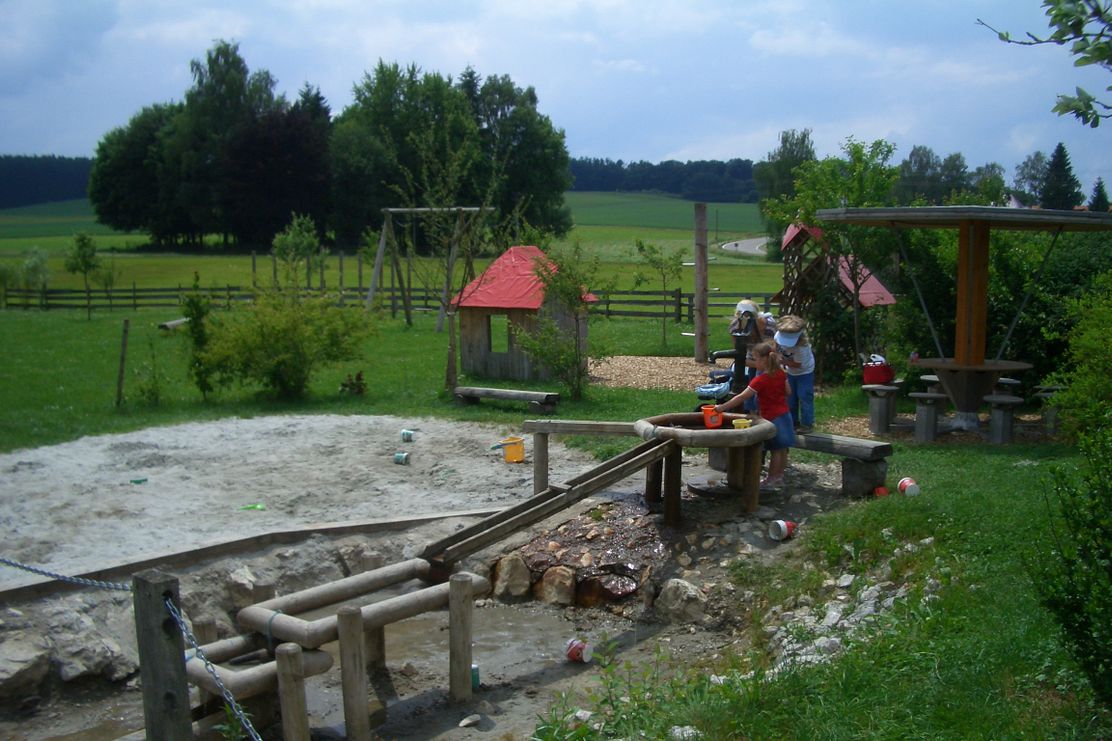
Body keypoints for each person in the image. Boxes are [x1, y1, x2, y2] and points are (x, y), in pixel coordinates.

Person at [714, 341, 794, 490]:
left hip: (771, 418)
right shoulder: (781, 373)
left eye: (755, 359)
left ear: (764, 360)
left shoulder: (760, 380)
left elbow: (741, 397)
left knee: (775, 450)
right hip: (785, 415)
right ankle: (779, 476)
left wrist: (721, 408)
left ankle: (771, 479)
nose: (754, 362)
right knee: (782, 450)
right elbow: (788, 392)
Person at [774, 314, 815, 433]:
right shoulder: (778, 336)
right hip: (791, 372)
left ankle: (807, 424)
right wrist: (775, 353)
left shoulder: (802, 347)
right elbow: (775, 345)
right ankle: (793, 422)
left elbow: (797, 364)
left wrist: (781, 361)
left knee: (805, 396)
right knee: (790, 397)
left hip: (804, 373)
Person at [728, 300, 767, 413]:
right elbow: (739, 354)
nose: (745, 320)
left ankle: (762, 413)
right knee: (752, 386)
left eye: (748, 317)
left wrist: (763, 365)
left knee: (763, 389)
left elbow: (773, 351)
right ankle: (750, 412)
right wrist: (755, 364)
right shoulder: (735, 328)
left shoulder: (768, 325)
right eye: (742, 317)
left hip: (768, 362)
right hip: (751, 360)